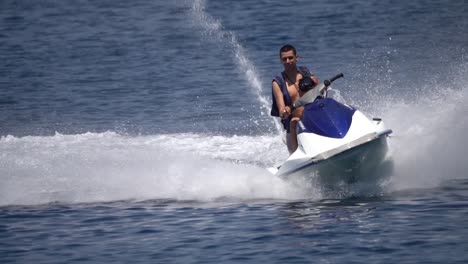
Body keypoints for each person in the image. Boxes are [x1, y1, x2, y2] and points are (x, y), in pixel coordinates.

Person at [271, 44, 319, 154]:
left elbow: (321, 90)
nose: (288, 61)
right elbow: (281, 111)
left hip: (314, 119)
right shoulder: (278, 82)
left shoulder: (305, 72)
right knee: (293, 121)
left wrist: (316, 82)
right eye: (284, 59)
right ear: (281, 61)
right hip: (296, 127)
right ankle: (297, 155)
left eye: (290, 58)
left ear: (297, 58)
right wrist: (285, 111)